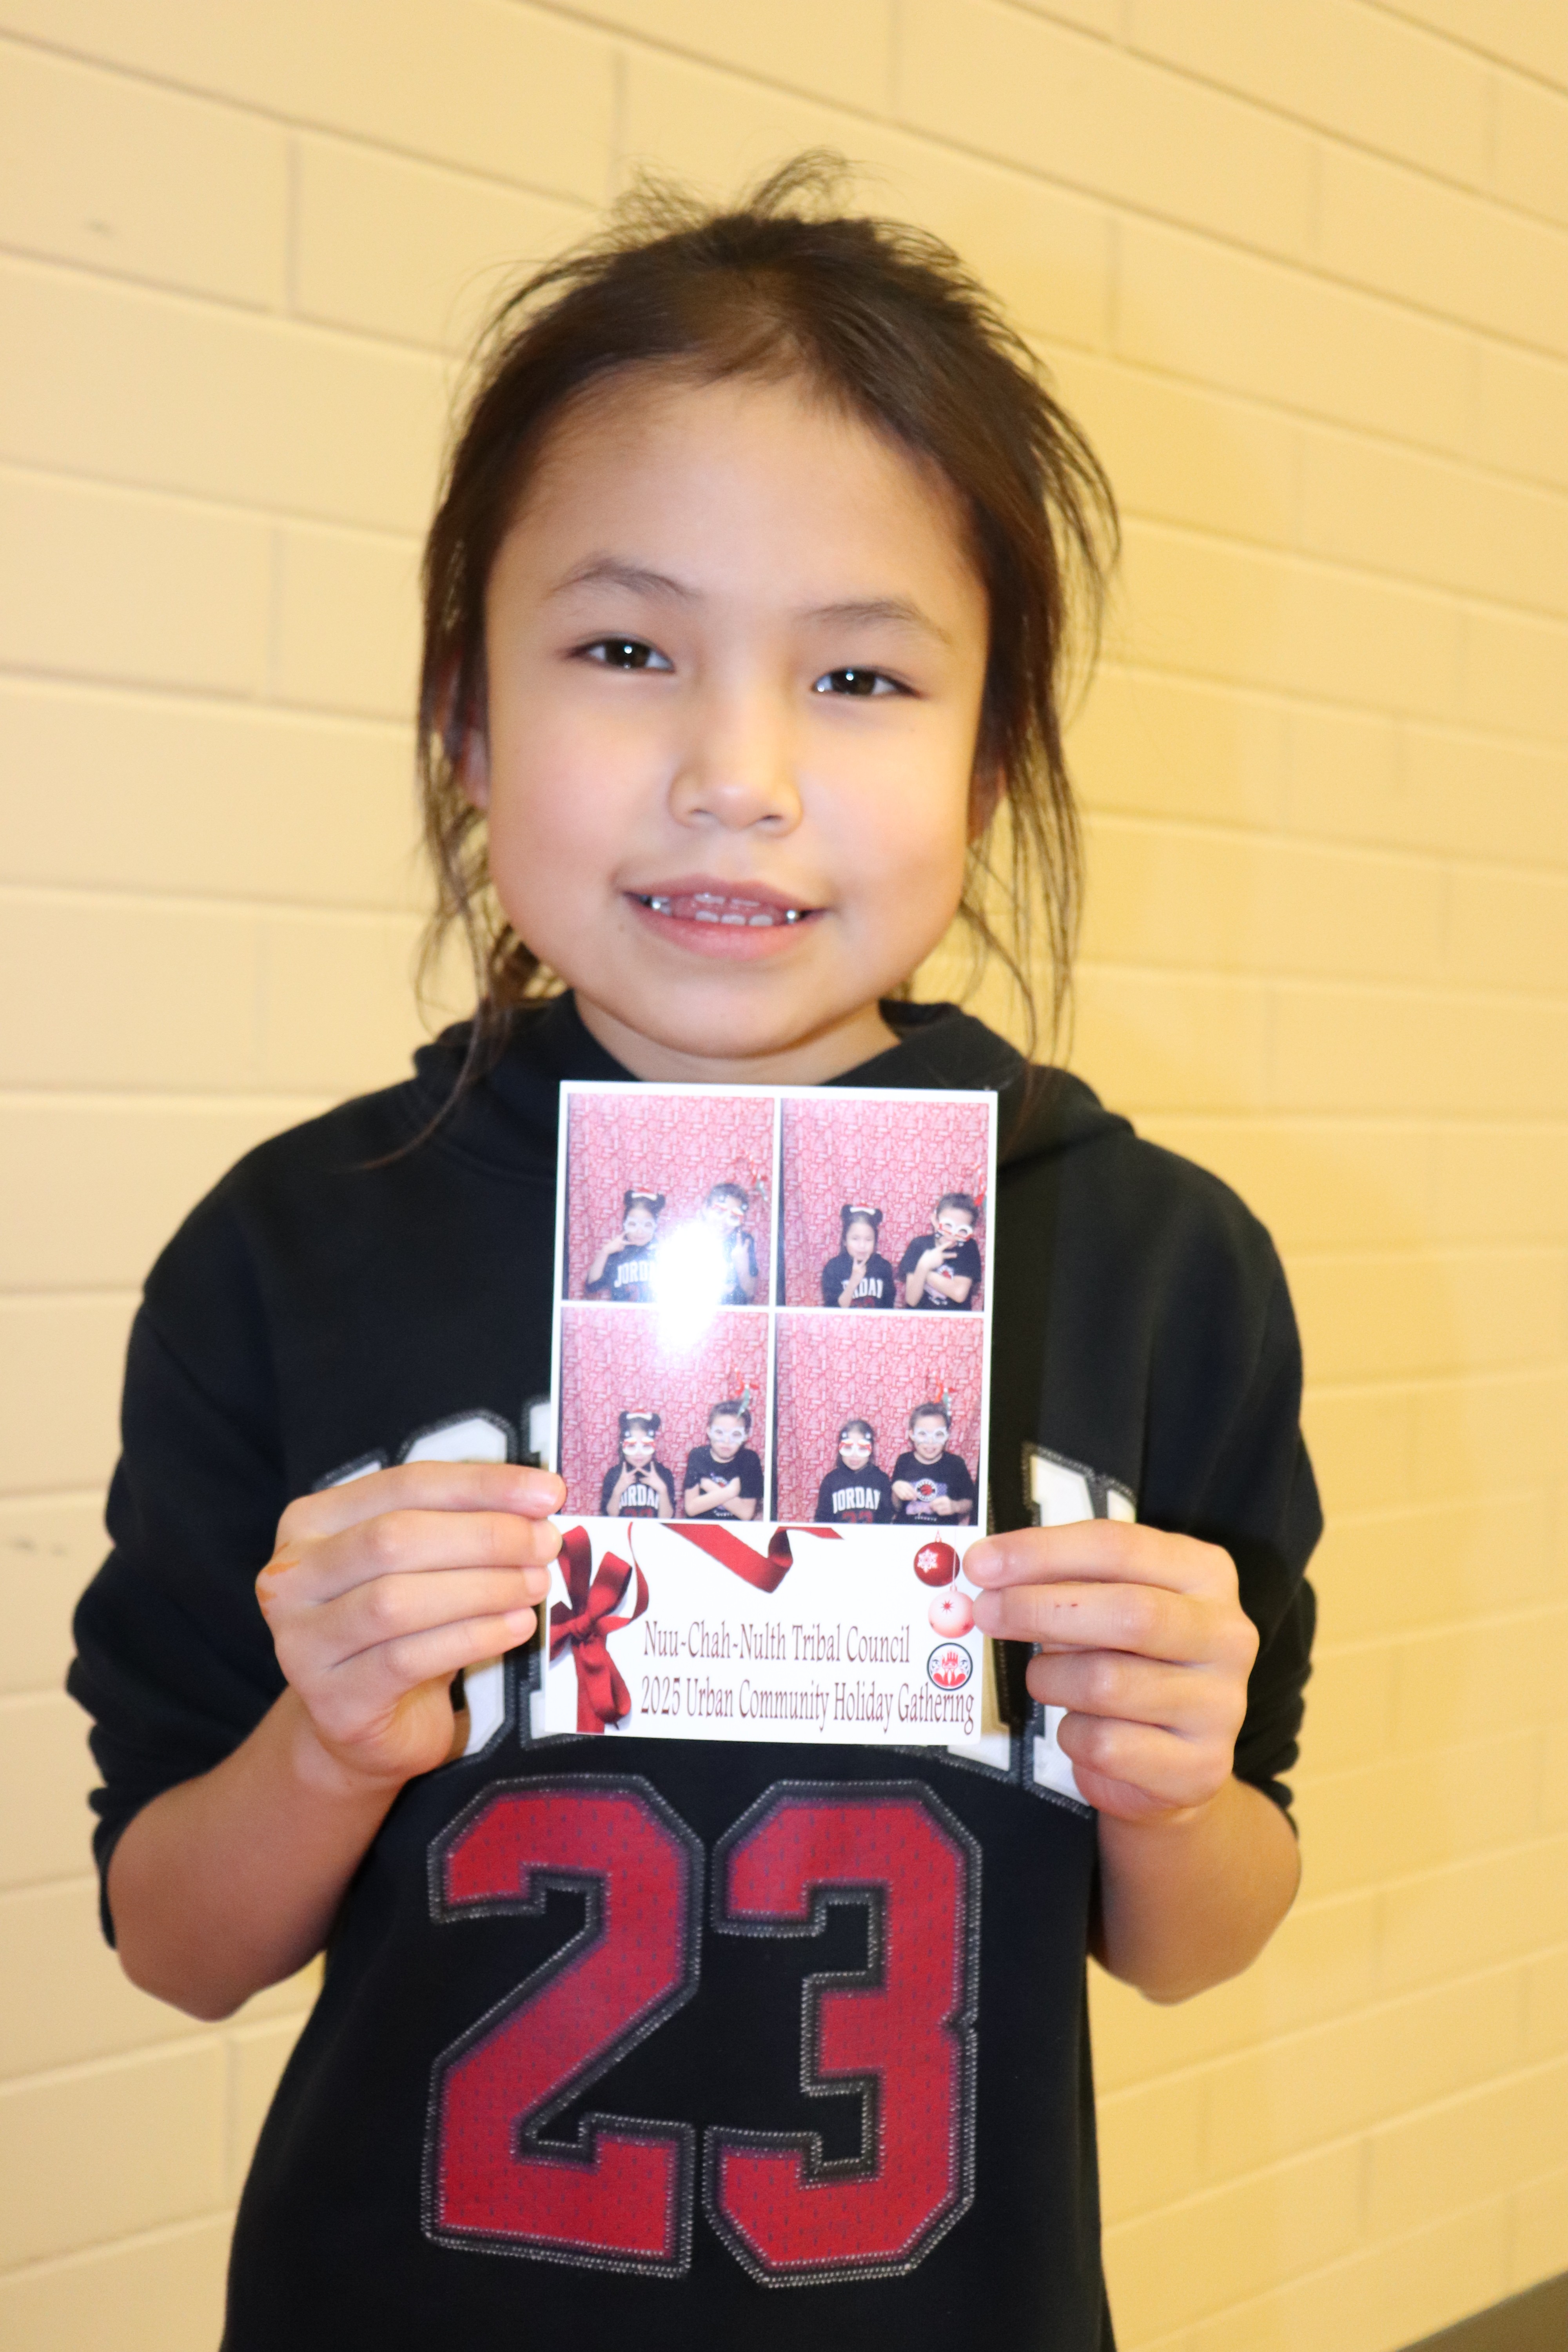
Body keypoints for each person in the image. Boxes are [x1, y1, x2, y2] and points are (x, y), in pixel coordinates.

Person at [69, 161, 1318, 2352]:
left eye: (859, 672)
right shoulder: (290, 1247)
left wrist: (1171, 1776)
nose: (736, 773)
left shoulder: (1158, 1262)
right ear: (464, 713)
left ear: (989, 758)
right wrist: (328, 1742)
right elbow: (174, 1938)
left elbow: (1198, 1933)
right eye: (628, 648)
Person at [891, 1399, 978, 1524]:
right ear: (912, 1435)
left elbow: (971, 1503)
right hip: (907, 1529)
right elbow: (897, 1507)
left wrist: (955, 1506)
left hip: (943, 1531)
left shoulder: (956, 1464)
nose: (930, 1442)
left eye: (938, 1435)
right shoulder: (904, 1461)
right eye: (923, 1434)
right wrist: (896, 1492)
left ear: (947, 1435)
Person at [681, 1398, 764, 1521]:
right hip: (701, 1528)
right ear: (709, 1432)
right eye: (720, 1433)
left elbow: (746, 1514)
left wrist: (709, 1486)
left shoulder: (749, 1460)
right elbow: (691, 1508)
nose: (727, 1441)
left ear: (745, 1436)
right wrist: (731, 1492)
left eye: (736, 1435)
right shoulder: (698, 1456)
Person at [900, 1191, 983, 1308]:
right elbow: (912, 1300)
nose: (953, 1235)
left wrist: (924, 1269)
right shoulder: (918, 1245)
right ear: (935, 1220)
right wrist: (924, 1266)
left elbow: (959, 1294)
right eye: (948, 1225)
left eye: (962, 1230)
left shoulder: (969, 1248)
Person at [583, 1186, 664, 1299]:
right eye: (633, 1224)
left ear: (655, 1226)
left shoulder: (663, 1254)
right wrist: (605, 1252)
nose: (640, 1232)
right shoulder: (617, 1255)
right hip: (622, 1312)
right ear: (625, 1224)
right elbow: (592, 1286)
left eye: (647, 1225)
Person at [813, 1417, 895, 1523]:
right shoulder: (831, 1481)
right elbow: (822, 1519)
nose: (855, 1455)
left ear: (871, 1449)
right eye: (848, 1448)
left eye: (862, 1449)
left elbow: (886, 1517)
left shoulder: (881, 1480)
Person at [599, 1410, 677, 1517]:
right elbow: (610, 1517)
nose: (639, 1453)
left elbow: (667, 1519)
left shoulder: (664, 1474)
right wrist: (618, 1491)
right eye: (632, 1446)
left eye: (646, 1446)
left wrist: (662, 1490)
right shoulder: (614, 1474)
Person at [819, 1203, 896, 1307]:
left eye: (868, 1240)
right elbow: (833, 1311)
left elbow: (889, 1309)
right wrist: (854, 1282)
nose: (862, 1246)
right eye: (855, 1239)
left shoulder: (883, 1267)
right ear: (845, 1240)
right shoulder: (833, 1268)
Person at [702, 1180, 760, 1303]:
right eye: (719, 1212)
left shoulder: (744, 1243)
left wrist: (742, 1267)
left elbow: (750, 1293)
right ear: (705, 1209)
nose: (724, 1222)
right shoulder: (687, 1237)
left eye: (733, 1217)